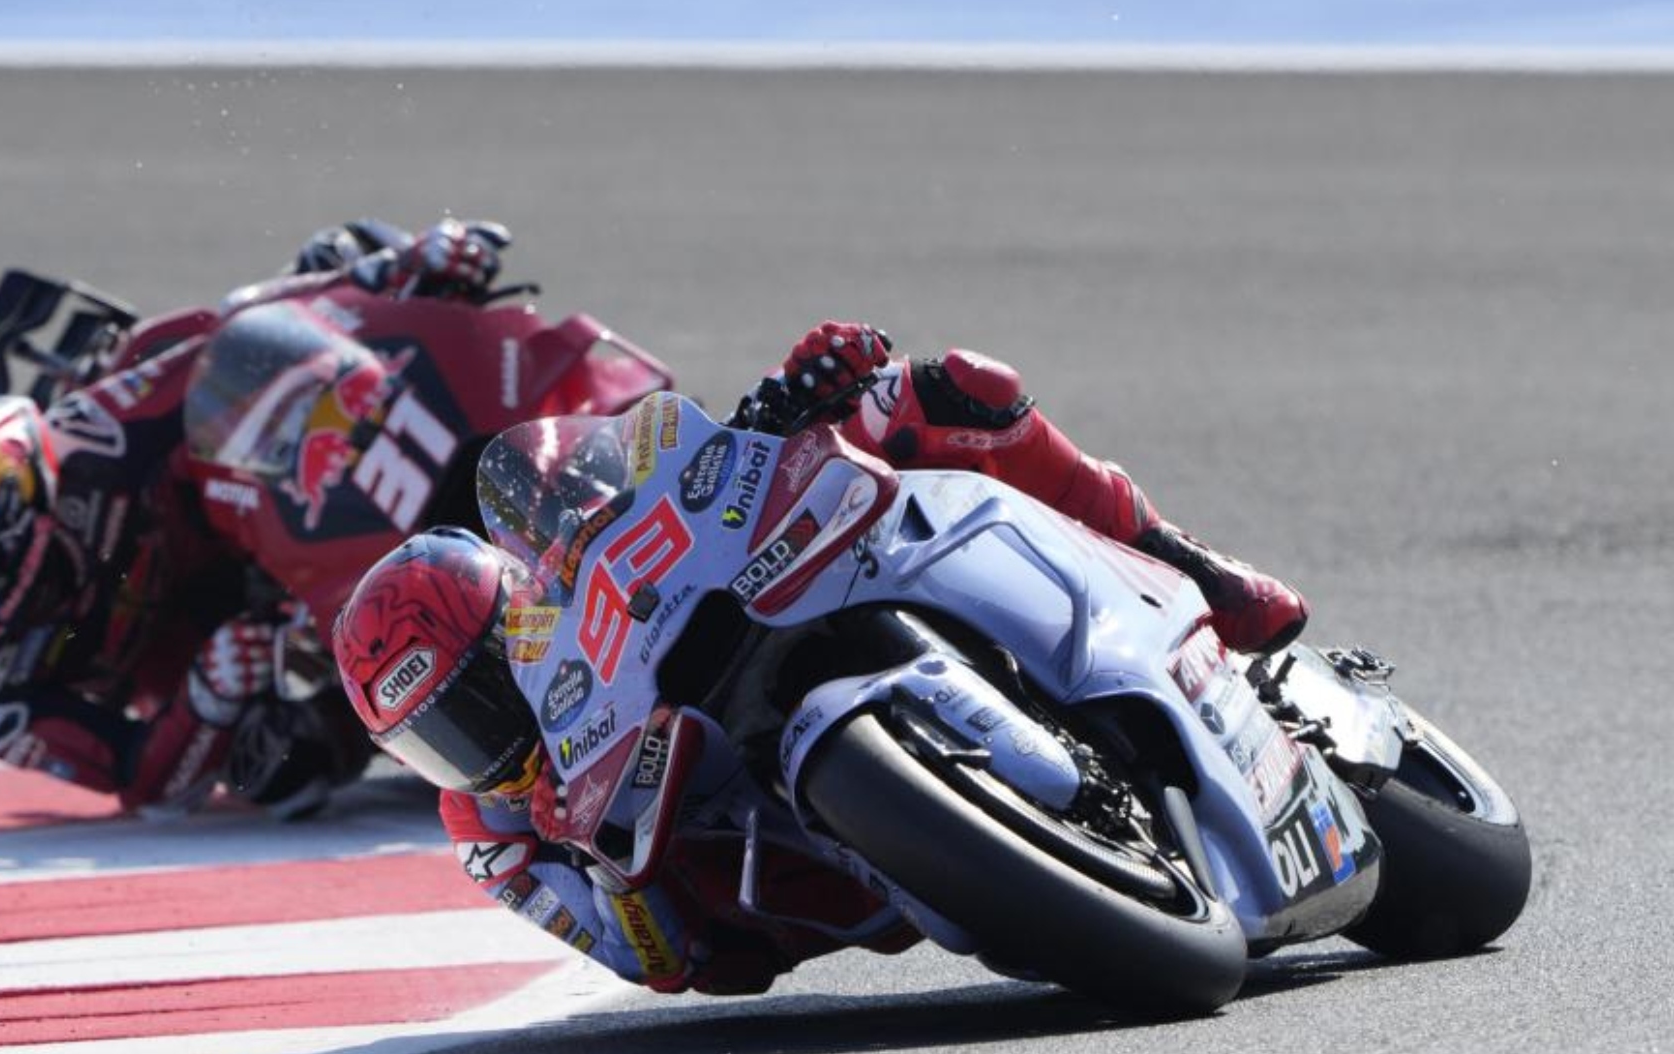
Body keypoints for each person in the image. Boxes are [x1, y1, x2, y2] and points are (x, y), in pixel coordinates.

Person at [333, 320, 1308, 994]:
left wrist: (790, 406)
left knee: (943, 391)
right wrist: (612, 873)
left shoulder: (569, 599)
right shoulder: (488, 832)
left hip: (742, 649)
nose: (484, 746)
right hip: (779, 884)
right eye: (441, 741)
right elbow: (660, 965)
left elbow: (655, 504)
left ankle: (1183, 563)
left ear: (520, 625)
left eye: (487, 699)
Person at [0, 217, 513, 816]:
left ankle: (507, 402)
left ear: (11, 518)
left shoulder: (98, 434)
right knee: (277, 770)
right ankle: (461, 712)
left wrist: (375, 276)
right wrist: (208, 695)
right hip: (221, 649)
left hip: (290, 519)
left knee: (334, 267)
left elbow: (225, 338)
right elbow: (140, 782)